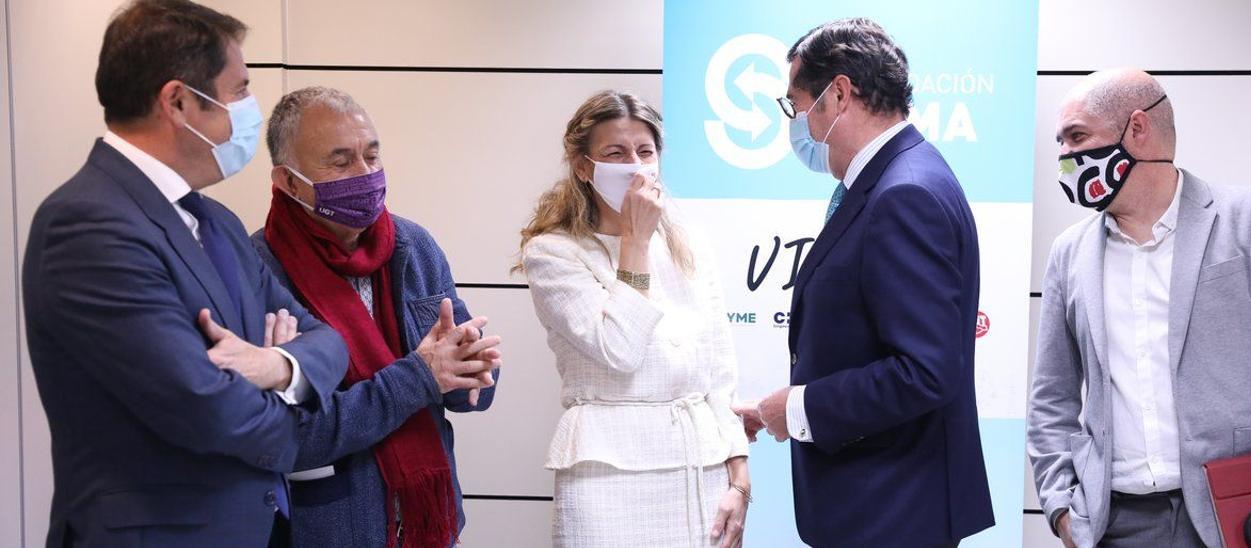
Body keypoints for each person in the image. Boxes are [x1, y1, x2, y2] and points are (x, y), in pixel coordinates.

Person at [20, 1, 350, 546]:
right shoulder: (88, 224)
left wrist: (274, 364)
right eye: (239, 90)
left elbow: (327, 341)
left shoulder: (213, 220)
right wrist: (301, 418)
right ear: (177, 102)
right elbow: (205, 407)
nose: (251, 108)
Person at [734, 17, 994, 547]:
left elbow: (923, 371)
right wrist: (774, 409)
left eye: (796, 104)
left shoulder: (905, 193)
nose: (798, 123)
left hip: (890, 509)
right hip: (882, 505)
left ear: (839, 93)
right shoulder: (899, 176)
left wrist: (799, 408)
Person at [1027, 68, 1251, 548]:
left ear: (1137, 130)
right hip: (1114, 524)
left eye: (1077, 137)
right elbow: (1051, 398)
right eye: (1060, 143)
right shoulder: (1069, 253)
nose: (1064, 158)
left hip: (1242, 518)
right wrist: (1063, 510)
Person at [241, 86, 502, 548]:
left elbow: (460, 390)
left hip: (432, 525)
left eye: (372, 157)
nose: (364, 175)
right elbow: (287, 437)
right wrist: (419, 377)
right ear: (289, 181)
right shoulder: (258, 272)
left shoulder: (413, 246)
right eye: (340, 162)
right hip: (325, 533)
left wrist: (474, 371)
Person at [516, 90, 750, 548]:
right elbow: (619, 348)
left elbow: (720, 372)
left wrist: (740, 481)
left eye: (645, 152)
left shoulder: (689, 244)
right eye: (616, 153)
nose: (636, 165)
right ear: (584, 166)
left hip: (699, 467)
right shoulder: (552, 253)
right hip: (607, 476)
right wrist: (635, 240)